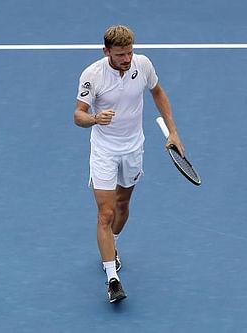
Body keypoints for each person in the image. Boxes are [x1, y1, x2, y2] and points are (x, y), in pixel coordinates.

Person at [73, 25, 185, 303]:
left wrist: (173, 131)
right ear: (106, 51)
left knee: (122, 208)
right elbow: (78, 115)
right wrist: (95, 120)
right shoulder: (92, 75)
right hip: (104, 151)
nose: (127, 59)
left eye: (129, 52)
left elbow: (157, 92)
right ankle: (113, 279)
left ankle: (112, 245)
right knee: (105, 214)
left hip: (133, 149)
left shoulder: (143, 64)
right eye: (121, 54)